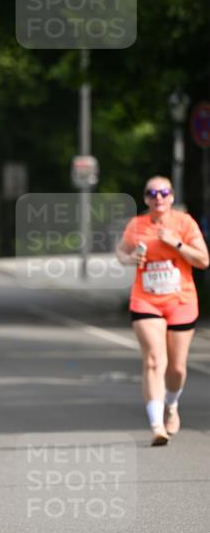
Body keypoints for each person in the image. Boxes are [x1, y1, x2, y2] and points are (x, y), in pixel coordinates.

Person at [116, 175, 209, 445]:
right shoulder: (137, 225)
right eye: (152, 193)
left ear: (171, 197)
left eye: (164, 192)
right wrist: (130, 258)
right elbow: (120, 253)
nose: (158, 197)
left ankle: (171, 405)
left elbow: (203, 260)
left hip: (181, 301)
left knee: (177, 368)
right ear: (145, 198)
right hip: (146, 300)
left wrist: (176, 244)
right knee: (154, 360)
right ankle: (156, 424)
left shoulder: (184, 222)